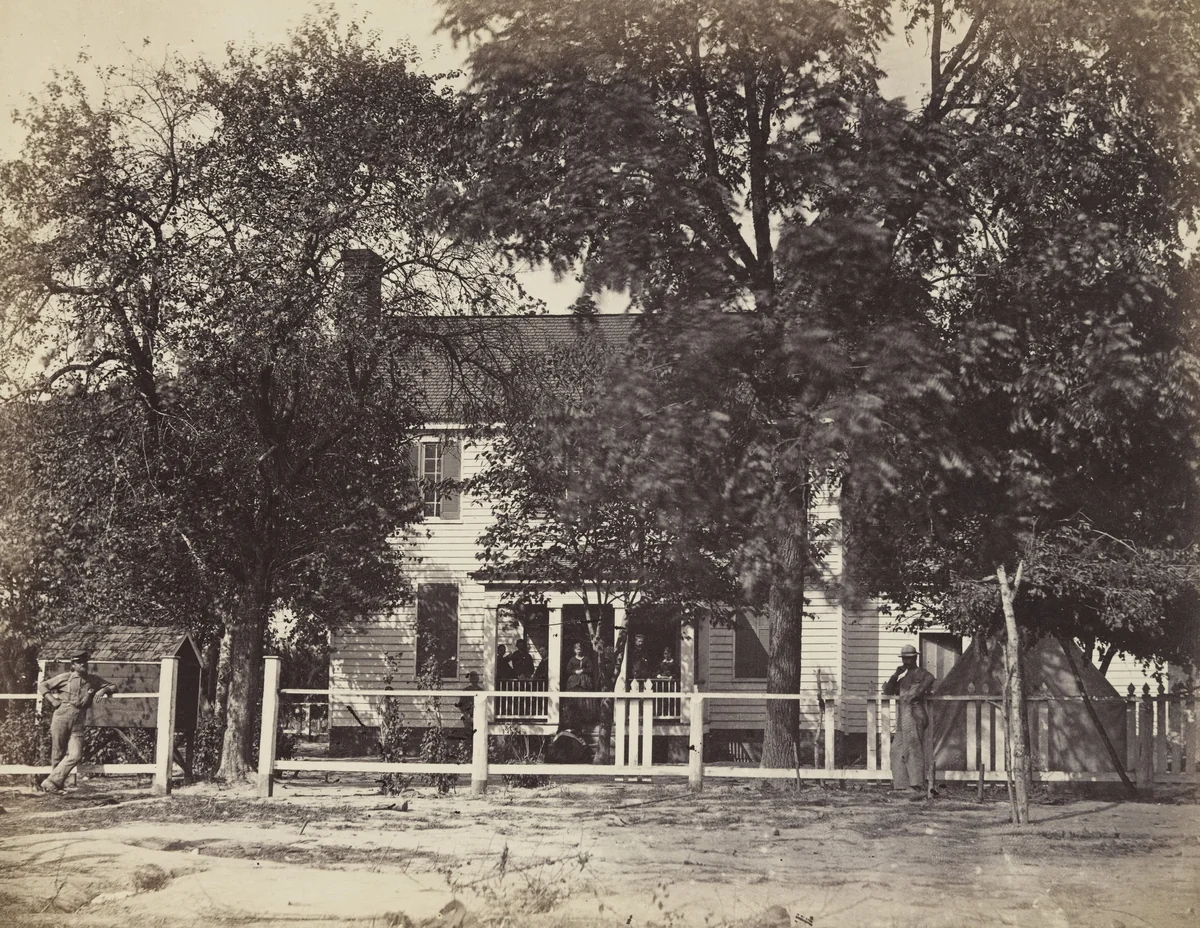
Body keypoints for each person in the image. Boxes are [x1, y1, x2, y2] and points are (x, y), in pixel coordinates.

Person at [37, 649, 117, 793]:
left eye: (84, 662)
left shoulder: (93, 680)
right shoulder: (65, 677)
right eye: (79, 662)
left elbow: (113, 686)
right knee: (58, 752)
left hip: (79, 718)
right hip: (62, 715)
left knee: (76, 755)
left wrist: (102, 691)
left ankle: (50, 782)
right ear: (73, 665)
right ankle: (55, 787)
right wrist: (52, 700)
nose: (83, 665)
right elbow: (42, 686)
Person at [882, 644, 938, 799]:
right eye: (904, 659)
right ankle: (901, 785)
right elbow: (888, 691)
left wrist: (917, 694)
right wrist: (895, 674)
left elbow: (930, 679)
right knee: (896, 750)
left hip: (914, 713)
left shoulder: (920, 672)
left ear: (915, 658)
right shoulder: (904, 677)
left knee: (913, 748)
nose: (906, 661)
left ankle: (916, 785)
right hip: (902, 716)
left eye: (909, 658)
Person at [562, 641, 594, 732]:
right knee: (574, 700)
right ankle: (573, 720)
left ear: (582, 649)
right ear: (574, 650)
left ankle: (585, 720)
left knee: (584, 700)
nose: (578, 651)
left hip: (584, 681)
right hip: (574, 682)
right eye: (576, 649)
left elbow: (591, 668)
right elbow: (568, 669)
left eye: (579, 649)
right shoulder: (572, 660)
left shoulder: (586, 659)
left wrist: (583, 670)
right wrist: (575, 672)